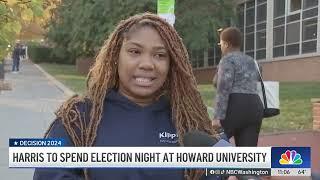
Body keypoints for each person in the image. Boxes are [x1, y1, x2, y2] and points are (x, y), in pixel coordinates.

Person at [34, 13, 219, 180]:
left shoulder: (187, 122)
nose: (147, 64)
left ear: (172, 65)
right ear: (116, 56)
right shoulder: (78, 118)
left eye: (160, 55)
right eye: (135, 51)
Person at [212, 27, 264, 147]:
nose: (220, 46)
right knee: (247, 153)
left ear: (226, 44)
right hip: (255, 108)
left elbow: (223, 88)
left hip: (236, 106)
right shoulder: (253, 62)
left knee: (215, 142)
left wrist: (216, 117)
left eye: (221, 43)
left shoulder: (227, 60)